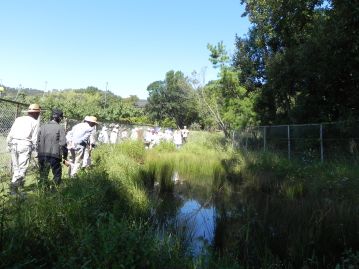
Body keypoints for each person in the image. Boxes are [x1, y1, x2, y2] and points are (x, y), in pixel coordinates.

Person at [7, 103, 41, 195]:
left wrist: (8, 144)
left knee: (16, 167)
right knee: (22, 169)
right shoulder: (35, 122)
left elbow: (11, 132)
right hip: (25, 145)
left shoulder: (19, 119)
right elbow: (34, 138)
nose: (38, 115)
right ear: (35, 113)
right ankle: (14, 190)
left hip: (13, 144)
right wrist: (36, 151)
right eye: (38, 113)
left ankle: (17, 188)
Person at [37, 108, 68, 187]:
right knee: (57, 174)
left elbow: (38, 141)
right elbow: (63, 144)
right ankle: (54, 191)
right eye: (61, 118)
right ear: (60, 118)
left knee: (43, 175)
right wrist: (65, 156)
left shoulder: (42, 127)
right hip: (54, 156)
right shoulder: (60, 128)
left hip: (42, 155)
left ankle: (43, 190)